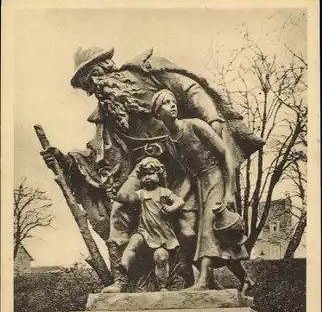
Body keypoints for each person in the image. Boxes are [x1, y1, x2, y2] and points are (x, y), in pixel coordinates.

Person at [41, 47, 263, 292]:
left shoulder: (147, 73)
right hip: (145, 168)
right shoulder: (107, 109)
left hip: (184, 163)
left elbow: (188, 88)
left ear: (100, 71)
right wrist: (65, 160)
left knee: (190, 224)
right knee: (119, 208)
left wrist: (212, 119)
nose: (92, 90)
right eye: (88, 87)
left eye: (91, 81)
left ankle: (188, 277)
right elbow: (100, 155)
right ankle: (122, 280)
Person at [152, 89, 254, 294]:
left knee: (208, 228)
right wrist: (179, 200)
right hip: (198, 184)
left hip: (216, 178)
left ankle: (203, 281)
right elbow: (190, 174)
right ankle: (244, 279)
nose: (172, 105)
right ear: (157, 113)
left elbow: (225, 153)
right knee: (189, 232)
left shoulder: (194, 125)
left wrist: (229, 192)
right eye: (166, 103)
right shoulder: (169, 142)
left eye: (173, 101)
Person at [115, 158, 185, 291]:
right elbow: (125, 197)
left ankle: (163, 286)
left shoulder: (164, 192)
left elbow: (180, 201)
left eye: (151, 173)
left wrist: (172, 208)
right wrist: (117, 194)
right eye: (144, 175)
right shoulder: (141, 193)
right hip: (144, 231)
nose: (147, 177)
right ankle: (123, 266)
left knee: (161, 257)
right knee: (133, 243)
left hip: (162, 235)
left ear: (159, 174)